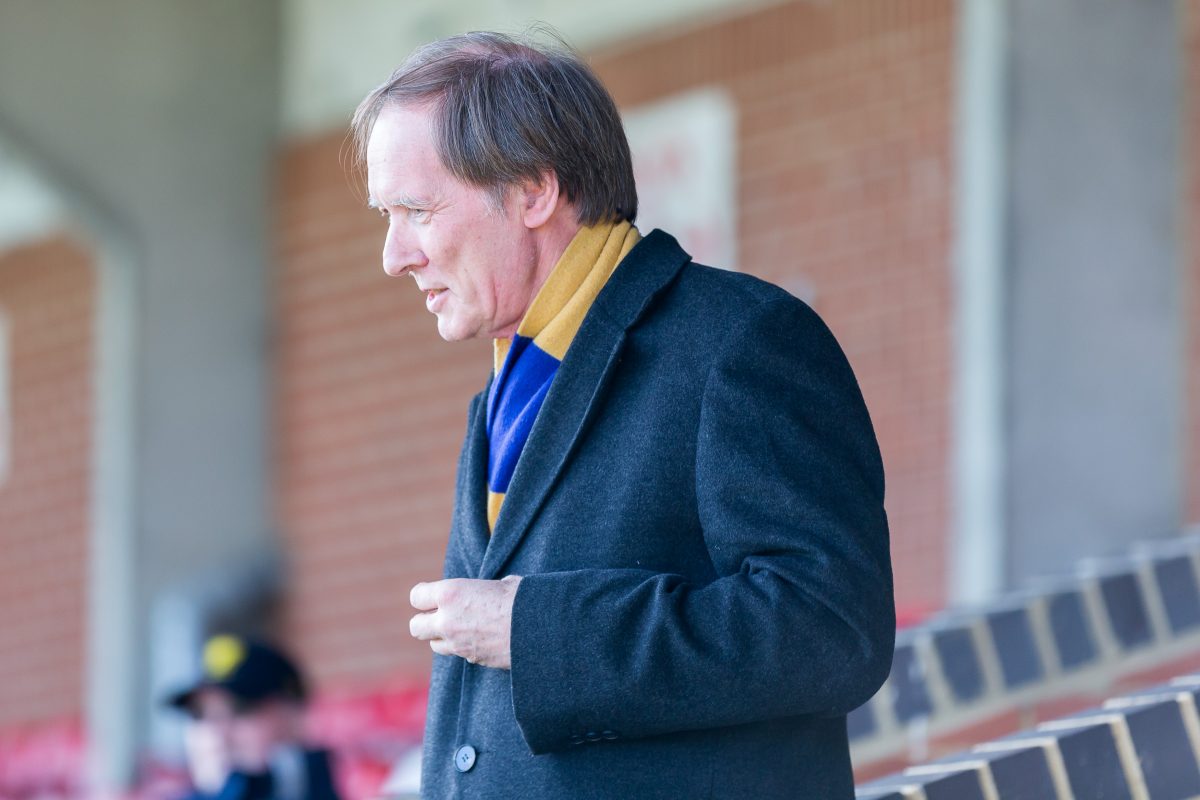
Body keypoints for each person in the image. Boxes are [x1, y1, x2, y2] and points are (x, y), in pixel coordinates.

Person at [352, 30, 894, 799]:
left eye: (416, 209)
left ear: (534, 191)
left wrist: (539, 632)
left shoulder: (739, 341)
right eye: (387, 215)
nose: (393, 255)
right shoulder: (508, 387)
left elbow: (832, 630)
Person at [165, 634, 341, 800]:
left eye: (241, 710)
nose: (218, 734)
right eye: (200, 715)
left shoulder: (346, 782)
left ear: (294, 716)